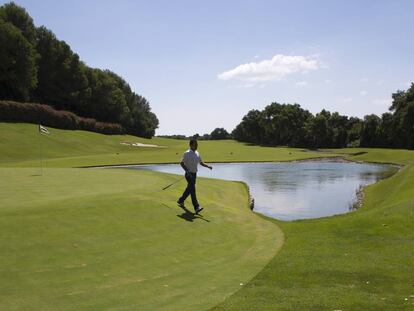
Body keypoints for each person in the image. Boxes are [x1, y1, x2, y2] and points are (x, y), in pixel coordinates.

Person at [177, 139, 212, 214]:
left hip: (194, 174)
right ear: (191, 145)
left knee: (190, 189)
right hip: (188, 174)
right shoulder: (187, 153)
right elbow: (181, 163)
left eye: (197, 144)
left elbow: (201, 163)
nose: (196, 146)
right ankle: (196, 207)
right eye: (195, 144)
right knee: (193, 190)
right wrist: (187, 171)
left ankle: (181, 200)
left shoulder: (197, 153)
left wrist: (208, 166)